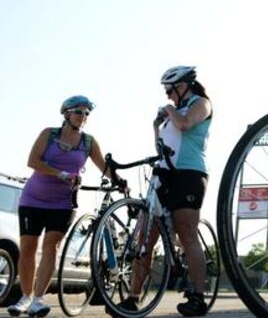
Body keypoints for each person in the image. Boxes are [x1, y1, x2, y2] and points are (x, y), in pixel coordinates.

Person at [9, 96, 123, 318]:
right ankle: (25, 297)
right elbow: (33, 161)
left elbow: (103, 166)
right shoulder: (49, 134)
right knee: (28, 247)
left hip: (63, 203)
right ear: (67, 114)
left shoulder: (88, 142)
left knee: (51, 247)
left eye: (87, 114)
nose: (84, 117)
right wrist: (61, 174)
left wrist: (119, 181)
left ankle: (38, 300)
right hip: (33, 199)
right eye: (79, 112)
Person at [113, 66, 212, 316]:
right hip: (163, 173)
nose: (167, 95)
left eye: (170, 90)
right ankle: (133, 298)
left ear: (184, 86)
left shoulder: (201, 103)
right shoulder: (174, 110)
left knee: (186, 233)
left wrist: (168, 111)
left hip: (189, 173)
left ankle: (198, 296)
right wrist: (156, 126)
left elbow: (186, 124)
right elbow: (163, 145)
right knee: (145, 237)